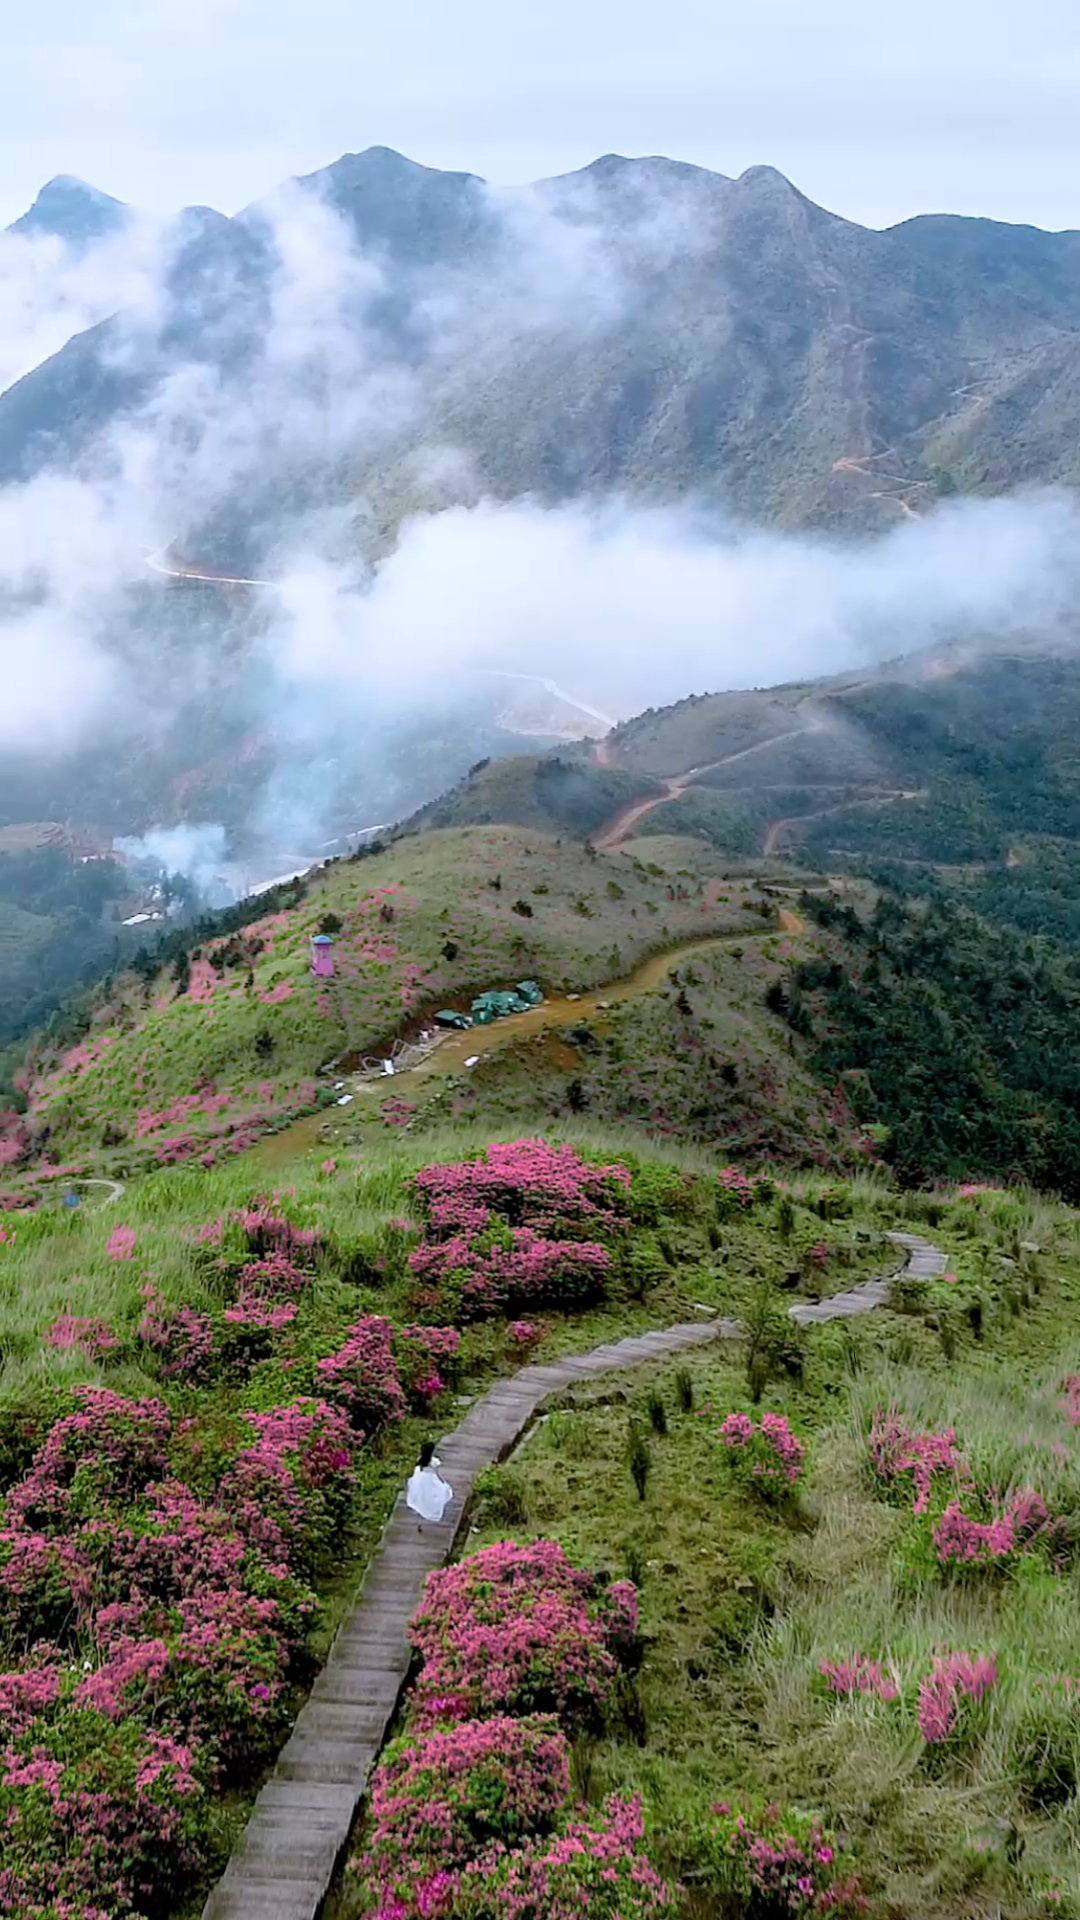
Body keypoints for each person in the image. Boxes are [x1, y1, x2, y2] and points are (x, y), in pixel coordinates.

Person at [406, 1441, 454, 1528]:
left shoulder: (419, 1462)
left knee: (421, 1497)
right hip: (429, 1480)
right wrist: (442, 1482)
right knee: (440, 1491)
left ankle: (420, 1517)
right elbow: (436, 1473)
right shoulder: (432, 1462)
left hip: (420, 1482)